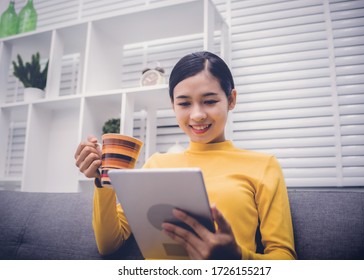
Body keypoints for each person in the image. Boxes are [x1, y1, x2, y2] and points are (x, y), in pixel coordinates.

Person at [74, 51, 297, 260]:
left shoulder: (263, 166)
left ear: (231, 100)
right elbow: (109, 245)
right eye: (184, 103)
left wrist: (237, 258)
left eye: (209, 101)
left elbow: (284, 256)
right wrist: (102, 182)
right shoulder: (156, 164)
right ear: (173, 105)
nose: (197, 115)